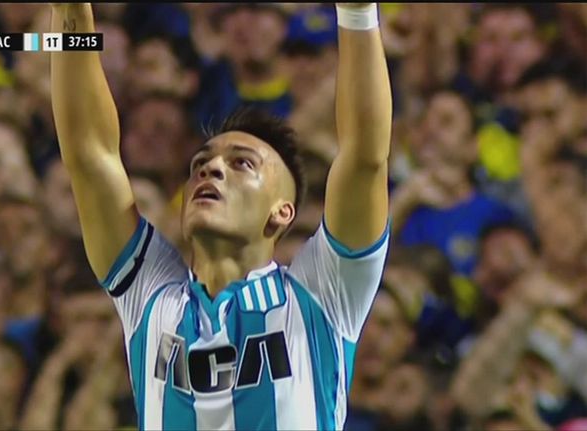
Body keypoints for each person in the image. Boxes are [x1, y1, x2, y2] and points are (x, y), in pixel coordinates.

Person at [50, 2, 391, 429]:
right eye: (200, 164)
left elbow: (364, 156)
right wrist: (71, 15)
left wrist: (357, 12)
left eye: (241, 163)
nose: (210, 169)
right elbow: (90, 156)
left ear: (282, 212)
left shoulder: (322, 294)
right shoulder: (151, 297)